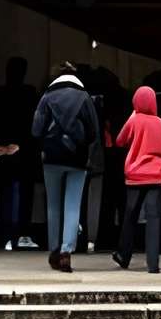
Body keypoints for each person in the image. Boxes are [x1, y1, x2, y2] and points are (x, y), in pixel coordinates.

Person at [29, 66, 100, 271]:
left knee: (53, 205)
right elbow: (93, 131)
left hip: (51, 157)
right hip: (77, 159)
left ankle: (53, 249)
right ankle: (66, 252)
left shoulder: (47, 97)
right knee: (72, 205)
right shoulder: (84, 97)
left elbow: (35, 130)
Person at [106, 82, 161, 272]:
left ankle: (123, 256)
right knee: (154, 217)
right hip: (156, 177)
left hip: (135, 176)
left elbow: (119, 141)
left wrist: (132, 117)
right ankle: (153, 264)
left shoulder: (134, 120)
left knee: (130, 216)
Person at [0, 57, 38, 250]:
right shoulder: (28, 93)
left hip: (5, 147)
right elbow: (32, 123)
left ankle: (9, 235)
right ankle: (19, 234)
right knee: (22, 193)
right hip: (19, 148)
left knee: (9, 193)